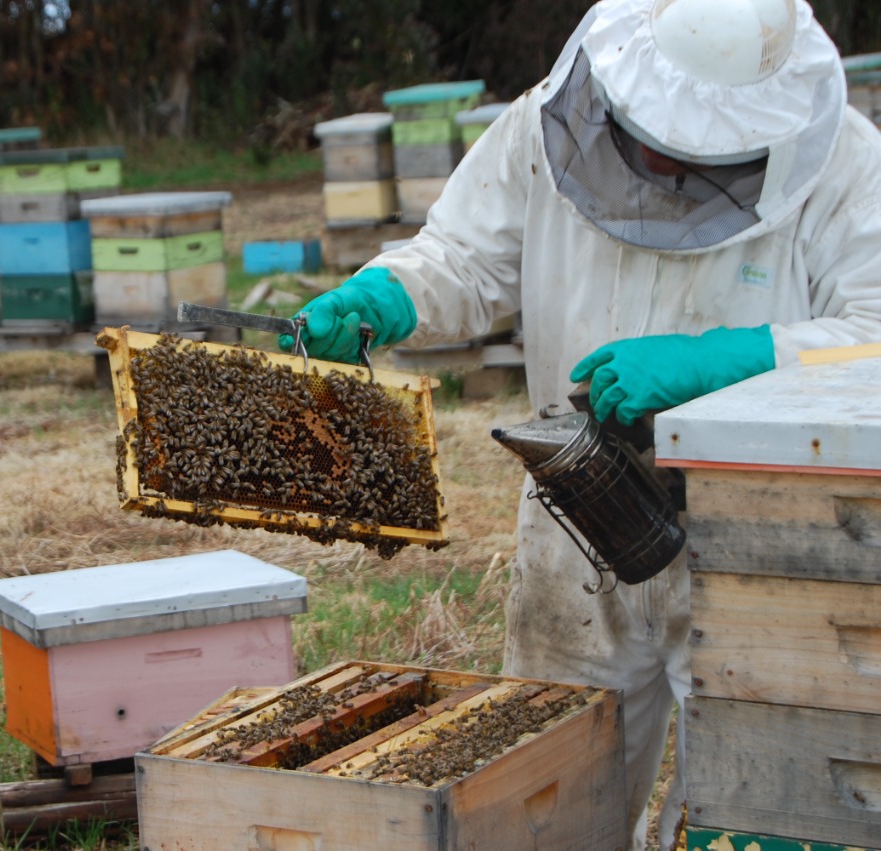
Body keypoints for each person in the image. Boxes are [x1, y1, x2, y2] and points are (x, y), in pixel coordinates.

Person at [282, 0, 881, 847]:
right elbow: (464, 254)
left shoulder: (848, 162)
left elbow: (874, 336)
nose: (656, 165)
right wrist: (386, 296)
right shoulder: (548, 120)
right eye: (645, 136)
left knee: (750, 811)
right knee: (548, 799)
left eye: (690, 155)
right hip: (573, 517)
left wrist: (730, 360)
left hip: (755, 535)